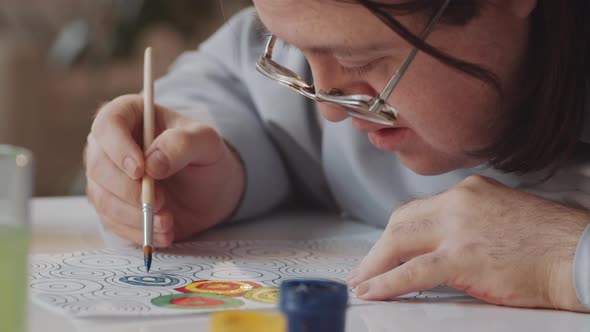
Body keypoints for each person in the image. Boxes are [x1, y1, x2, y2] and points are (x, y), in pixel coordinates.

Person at [83, 0, 590, 312]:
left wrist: (571, 257)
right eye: (297, 49)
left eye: (360, 61)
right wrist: (221, 164)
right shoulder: (335, 35)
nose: (330, 114)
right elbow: (232, 84)